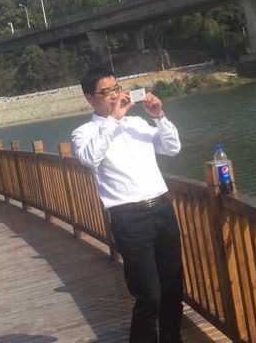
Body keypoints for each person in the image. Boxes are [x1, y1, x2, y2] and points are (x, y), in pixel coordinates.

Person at [72, 66, 183, 343]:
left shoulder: (137, 124)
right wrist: (113, 120)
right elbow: (89, 159)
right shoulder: (84, 132)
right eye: (105, 92)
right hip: (129, 219)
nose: (114, 96)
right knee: (149, 295)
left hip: (162, 209)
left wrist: (158, 116)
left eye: (116, 88)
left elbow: (172, 148)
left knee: (172, 288)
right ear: (89, 98)